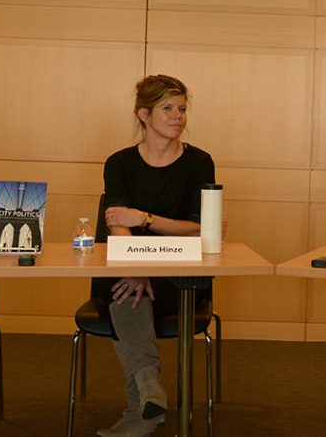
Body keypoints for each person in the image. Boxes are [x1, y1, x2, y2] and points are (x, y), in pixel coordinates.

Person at [94, 75, 215, 437]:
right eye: (168, 108)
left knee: (126, 293)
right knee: (125, 290)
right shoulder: (119, 163)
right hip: (129, 269)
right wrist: (137, 265)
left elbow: (199, 228)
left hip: (182, 274)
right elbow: (116, 223)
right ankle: (149, 392)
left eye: (182, 108)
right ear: (144, 114)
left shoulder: (200, 163)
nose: (178, 116)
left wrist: (144, 219)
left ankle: (141, 407)